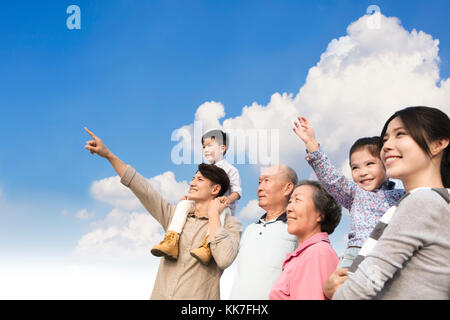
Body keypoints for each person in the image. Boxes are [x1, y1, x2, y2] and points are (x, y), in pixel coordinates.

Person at [83, 127, 242, 300]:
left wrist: (213, 215)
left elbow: (224, 259)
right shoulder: (176, 218)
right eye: (193, 178)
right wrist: (109, 155)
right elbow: (144, 190)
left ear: (216, 189)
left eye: (200, 180)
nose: (192, 184)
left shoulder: (230, 225)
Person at [325, 106, 450, 300]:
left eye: (400, 134)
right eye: (385, 140)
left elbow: (365, 284)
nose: (387, 146)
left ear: (438, 143)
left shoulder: (421, 202)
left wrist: (335, 292)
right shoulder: (438, 202)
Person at [293, 116, 404, 268]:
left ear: (386, 163)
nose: (362, 172)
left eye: (370, 164)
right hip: (356, 255)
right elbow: (331, 177)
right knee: (342, 290)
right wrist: (311, 143)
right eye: (355, 167)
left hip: (389, 256)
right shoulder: (355, 193)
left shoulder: (402, 195)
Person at [151, 129, 242, 265]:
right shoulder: (205, 169)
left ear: (222, 148)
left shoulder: (231, 170)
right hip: (202, 206)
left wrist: (226, 200)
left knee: (219, 212)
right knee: (183, 205)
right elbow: (201, 190)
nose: (206, 149)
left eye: (210, 146)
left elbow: (237, 192)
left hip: (221, 207)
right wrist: (190, 198)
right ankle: (172, 239)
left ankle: (207, 246)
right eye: (204, 147)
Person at [229, 165, 298, 300]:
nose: (260, 188)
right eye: (259, 182)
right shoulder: (250, 230)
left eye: (267, 181)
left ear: (287, 188)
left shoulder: (296, 232)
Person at [269, 181, 342, 300]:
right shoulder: (305, 255)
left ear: (320, 214)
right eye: (290, 201)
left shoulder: (318, 253)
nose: (288, 208)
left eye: (297, 200)